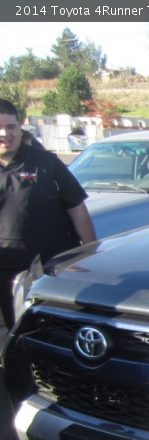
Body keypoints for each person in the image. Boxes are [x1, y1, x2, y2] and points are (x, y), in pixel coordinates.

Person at [0, 99, 97, 329]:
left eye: (11, 127)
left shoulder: (46, 163)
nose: (5, 133)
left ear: (20, 127)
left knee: (54, 330)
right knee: (14, 334)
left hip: (48, 267)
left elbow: (77, 209)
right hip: (5, 268)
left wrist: (94, 254)